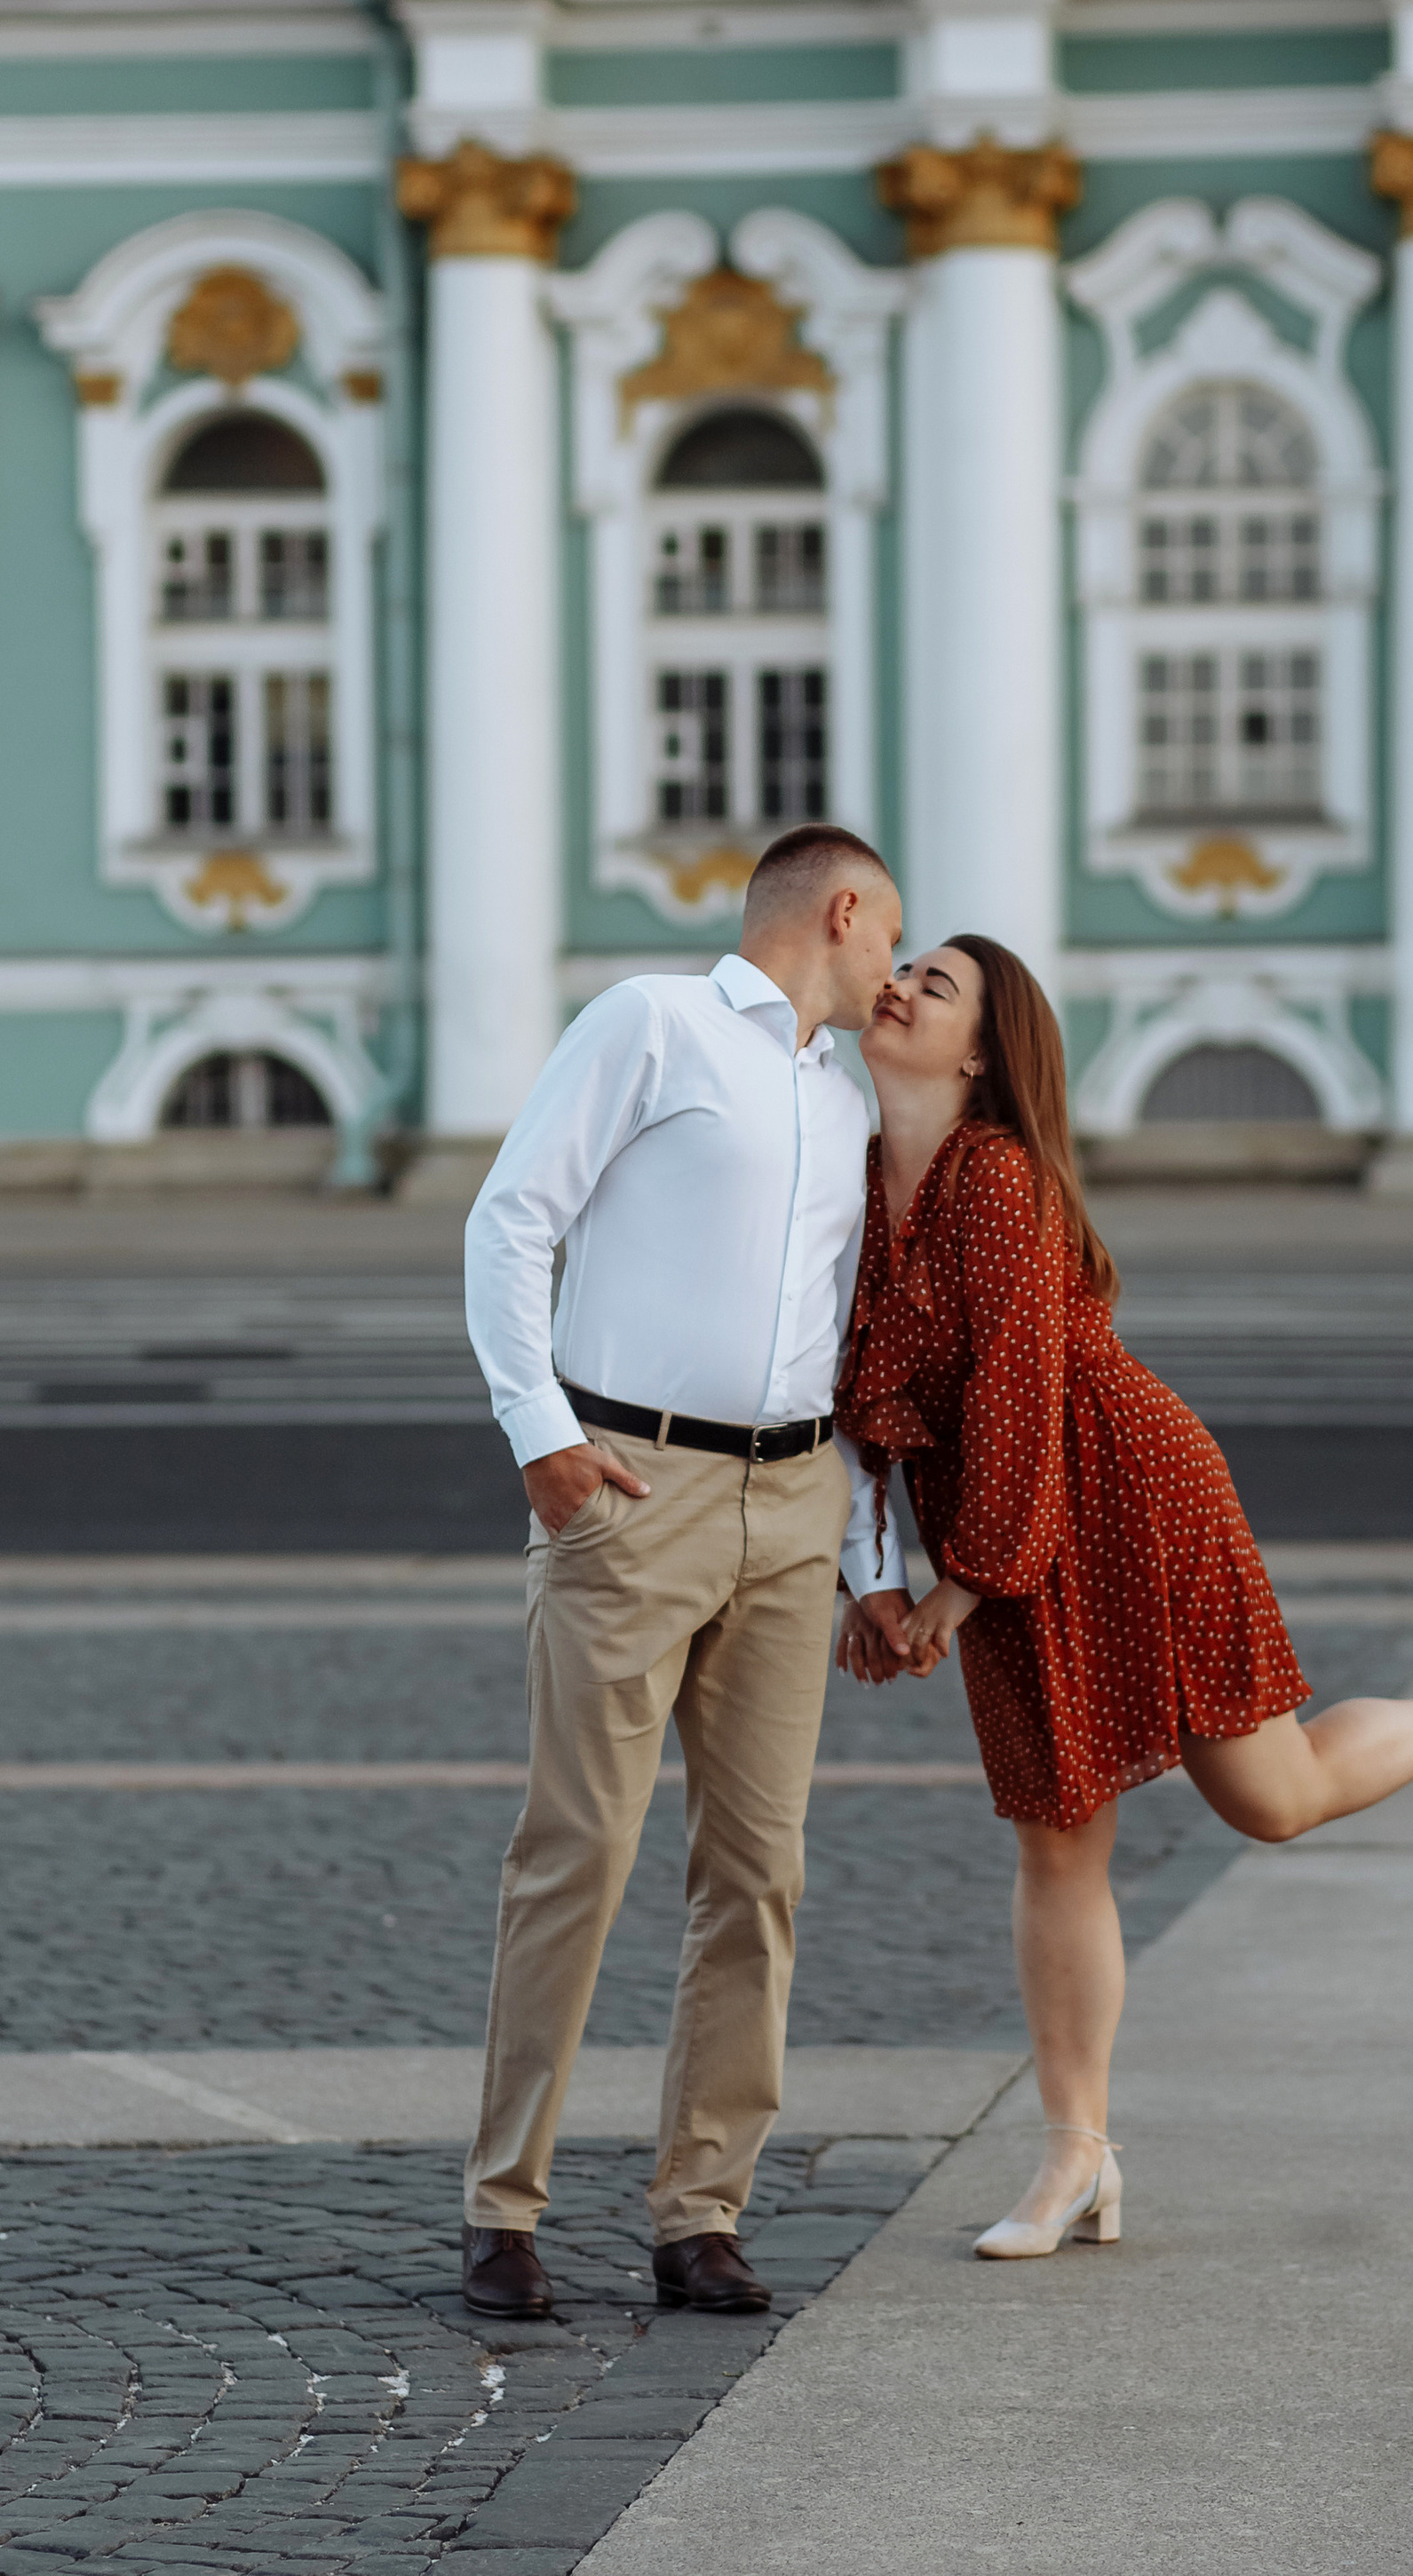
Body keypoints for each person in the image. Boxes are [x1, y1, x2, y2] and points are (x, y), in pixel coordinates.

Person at [835, 934, 1413, 2263]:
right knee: (1055, 1835)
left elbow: (1017, 1384)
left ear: (982, 1054)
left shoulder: (997, 1176)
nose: (895, 984)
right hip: (1004, 1516)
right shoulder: (854, 1183)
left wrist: (963, 1581)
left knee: (1273, 1800)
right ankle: (1075, 2156)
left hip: (1125, 1492)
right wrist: (876, 1574)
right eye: (901, 967)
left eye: (933, 983)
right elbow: (853, 1403)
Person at [457, 823, 917, 2322]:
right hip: (633, 1484)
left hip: (796, 1501)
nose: (898, 968)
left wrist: (865, 1559)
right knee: (579, 1850)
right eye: (891, 935)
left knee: (758, 1871)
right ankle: (503, 2209)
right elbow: (511, 1219)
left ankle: (700, 2213)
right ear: (840, 910)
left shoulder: (845, 1095)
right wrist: (541, 1434)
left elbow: (841, 1340)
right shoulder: (649, 1023)